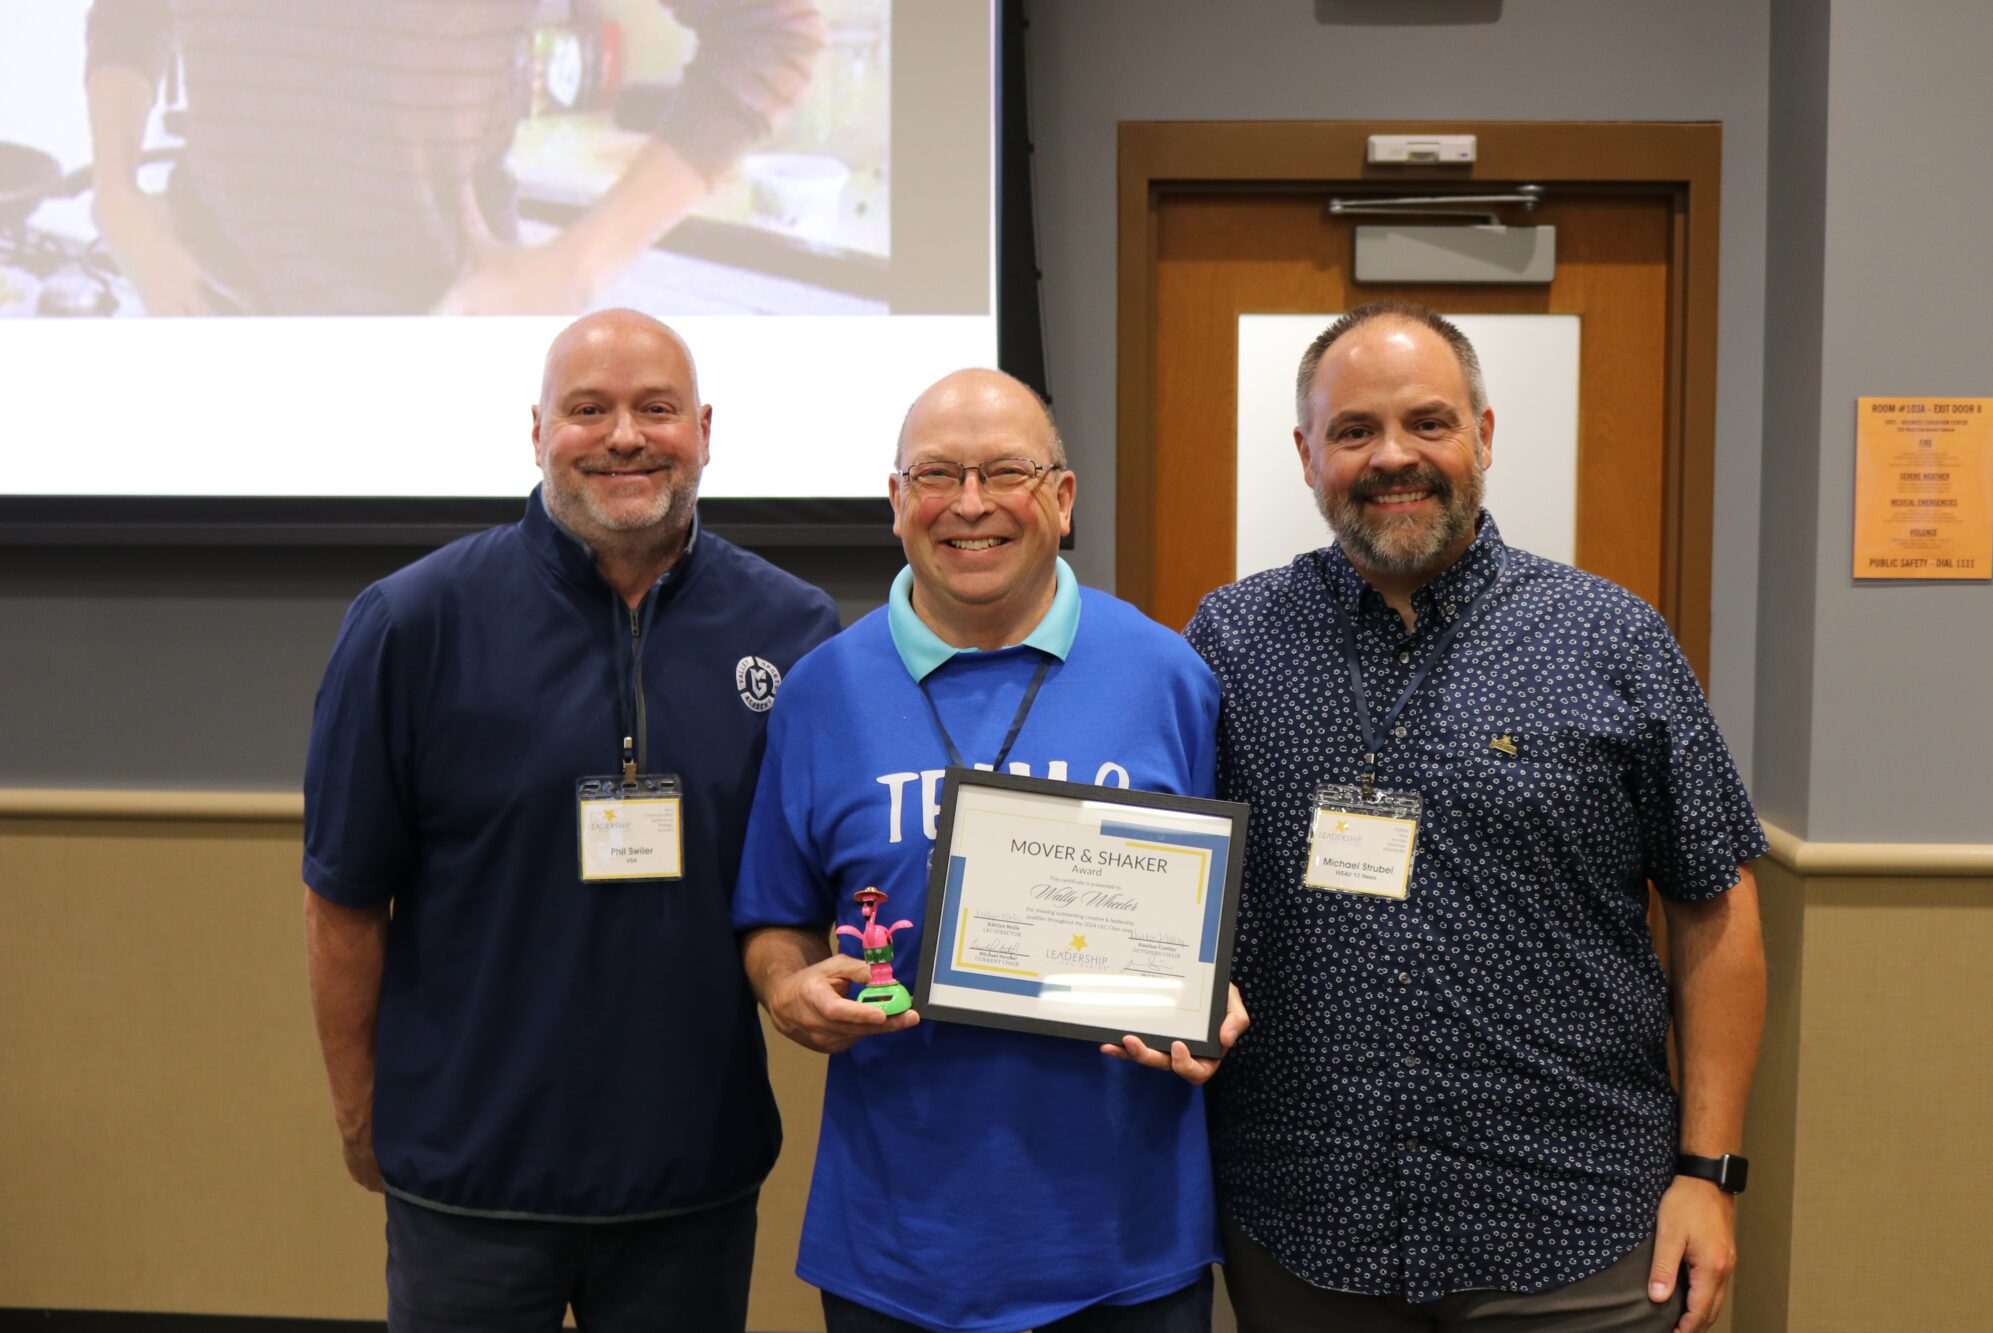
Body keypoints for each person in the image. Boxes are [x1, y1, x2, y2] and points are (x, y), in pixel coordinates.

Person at [1183, 300, 1767, 1333]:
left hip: (1576, 1222)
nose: (1391, 457)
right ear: (1306, 452)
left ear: (1483, 436)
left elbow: (1713, 907)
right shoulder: (1232, 642)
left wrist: (1707, 1172)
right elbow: (1173, 878)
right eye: (1353, 430)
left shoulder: (1610, 639)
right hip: (1305, 1224)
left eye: (1427, 422)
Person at [302, 309, 840, 1330]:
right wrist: (359, 1109)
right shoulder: (412, 623)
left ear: (705, 428)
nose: (625, 436)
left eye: (657, 408)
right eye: (588, 409)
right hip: (470, 1175)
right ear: (537, 429)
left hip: (692, 1172)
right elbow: (341, 899)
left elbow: (805, 882)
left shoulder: (793, 627)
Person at [733, 368, 1249, 1333]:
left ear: (1061, 497)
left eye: (1005, 471)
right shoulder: (819, 693)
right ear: (897, 503)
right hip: (896, 1250)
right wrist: (786, 987)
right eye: (936, 474)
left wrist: (1214, 991)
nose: (969, 504)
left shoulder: (1169, 675)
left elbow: (1225, 912)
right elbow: (775, 916)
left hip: (1127, 1247)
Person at [84, 0, 824, 315]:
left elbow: (768, 30)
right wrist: (115, 197)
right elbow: (132, 13)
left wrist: (576, 267)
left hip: (437, 337)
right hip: (214, 316)